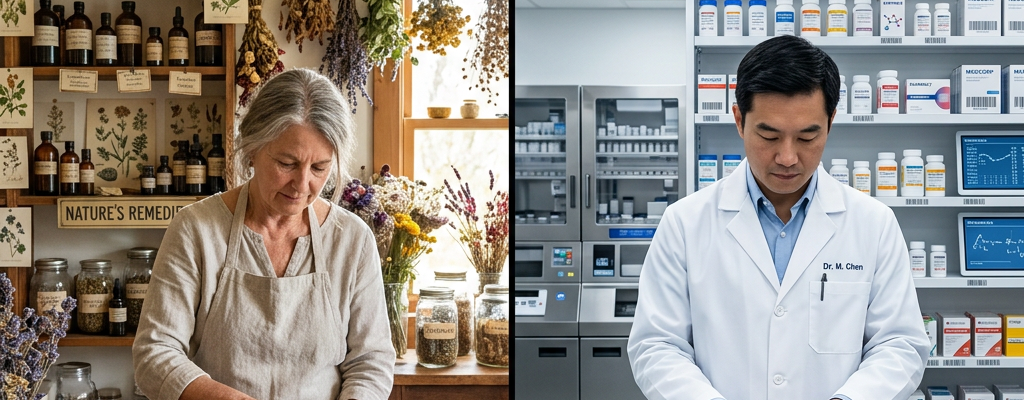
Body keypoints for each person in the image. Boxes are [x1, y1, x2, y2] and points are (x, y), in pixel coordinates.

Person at [627, 35, 930, 400]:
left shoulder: (873, 224)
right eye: (768, 135)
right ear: (739, 120)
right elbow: (657, 345)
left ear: (830, 122)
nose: (787, 157)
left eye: (806, 137)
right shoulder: (684, 224)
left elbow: (900, 344)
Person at [133, 69, 395, 400]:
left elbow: (371, 361)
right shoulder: (196, 229)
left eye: (319, 168)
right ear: (253, 149)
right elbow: (154, 353)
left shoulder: (351, 239)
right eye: (287, 163)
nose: (302, 186)